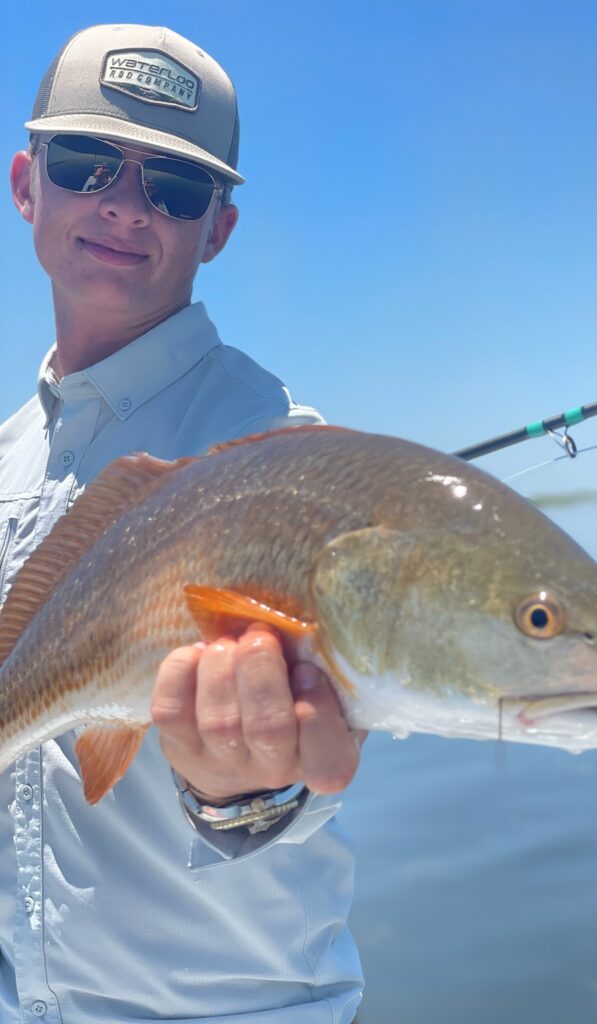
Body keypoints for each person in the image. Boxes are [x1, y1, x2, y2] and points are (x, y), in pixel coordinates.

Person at [0, 23, 364, 1023]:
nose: (126, 202)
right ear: (27, 185)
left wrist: (246, 795)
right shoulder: (7, 455)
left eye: (176, 185)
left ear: (217, 229)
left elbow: (312, 764)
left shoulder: (281, 455)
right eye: (86, 163)